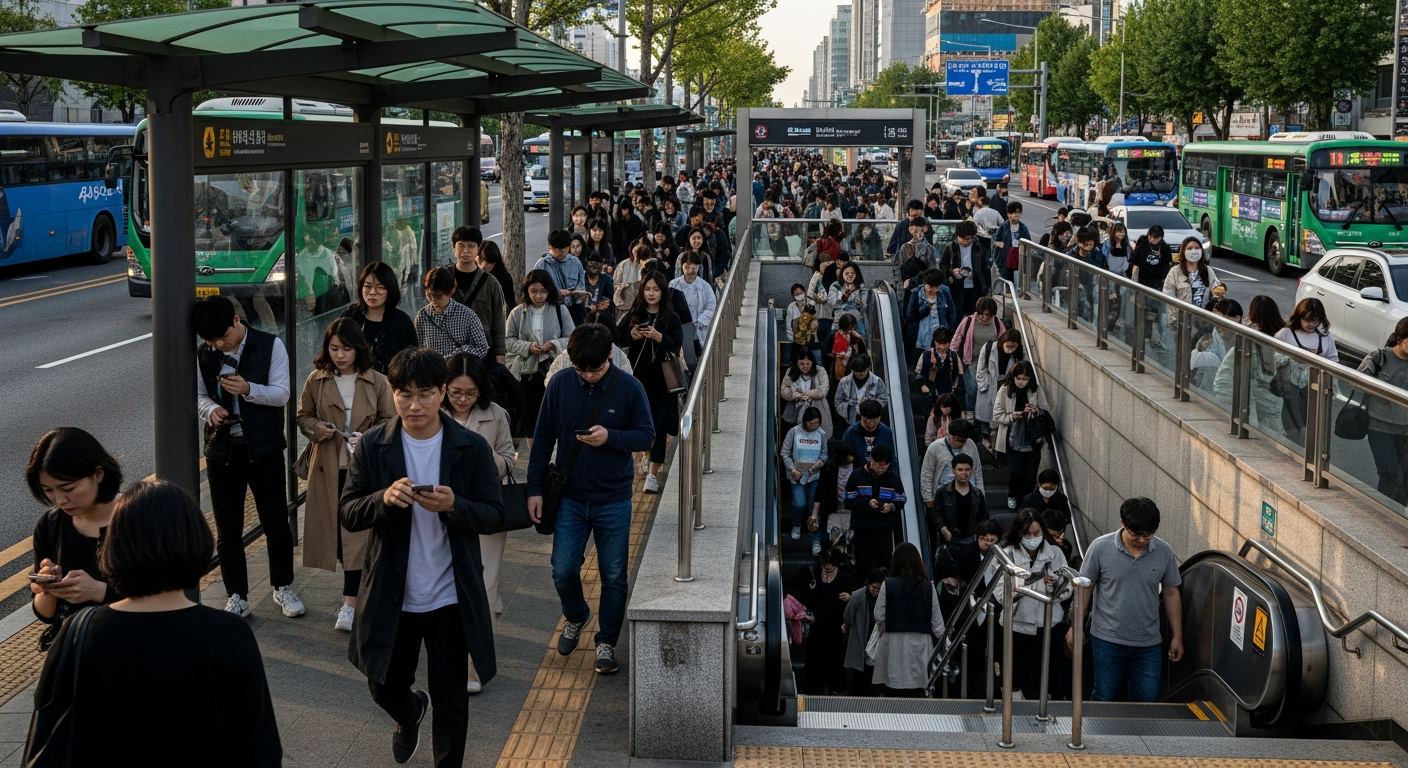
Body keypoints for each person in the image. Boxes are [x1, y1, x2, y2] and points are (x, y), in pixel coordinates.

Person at [25, 480, 282, 767]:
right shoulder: (228, 634)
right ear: (195, 541)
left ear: (112, 548)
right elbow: (259, 748)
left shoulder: (78, 632)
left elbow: (47, 723)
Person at [340, 346, 507, 766]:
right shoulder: (375, 445)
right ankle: (411, 710)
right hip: (393, 591)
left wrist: (456, 506)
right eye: (404, 394)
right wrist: (383, 499)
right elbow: (348, 511)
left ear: (443, 394)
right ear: (392, 393)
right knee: (382, 683)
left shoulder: (469, 447)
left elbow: (494, 514)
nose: (415, 405)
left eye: (425, 393)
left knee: (452, 703)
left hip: (451, 596)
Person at [528, 323, 655, 674]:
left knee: (613, 575)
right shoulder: (559, 384)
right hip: (568, 495)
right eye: (581, 369)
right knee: (562, 569)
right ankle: (576, 614)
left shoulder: (629, 388)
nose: (588, 376)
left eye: (595, 369)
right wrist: (534, 490)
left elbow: (647, 436)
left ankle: (607, 643)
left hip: (613, 497)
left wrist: (610, 437)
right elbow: (541, 441)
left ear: (610, 357)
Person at [194, 296, 303, 619]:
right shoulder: (204, 354)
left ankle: (282, 586)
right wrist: (211, 410)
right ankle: (237, 595)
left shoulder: (271, 346)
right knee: (228, 530)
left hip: (264, 447)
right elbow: (197, 396)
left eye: (224, 338)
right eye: (213, 342)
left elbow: (282, 394)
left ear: (237, 321)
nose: (220, 346)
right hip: (222, 451)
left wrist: (248, 389)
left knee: (276, 523)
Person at [296, 319, 395, 632]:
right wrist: (316, 428)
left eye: (346, 348)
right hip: (327, 465)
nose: (339, 355)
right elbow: (303, 415)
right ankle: (357, 595)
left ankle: (350, 602)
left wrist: (367, 436)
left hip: (362, 469)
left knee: (358, 537)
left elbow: (390, 419)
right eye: (334, 348)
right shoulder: (317, 379)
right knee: (335, 536)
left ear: (358, 349)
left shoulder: (377, 381)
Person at [441, 353, 514, 693]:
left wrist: (486, 458)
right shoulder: (431, 414)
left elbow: (510, 459)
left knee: (481, 585)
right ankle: (451, 650)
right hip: (439, 511)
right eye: (456, 392)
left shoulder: (496, 415)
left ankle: (472, 661)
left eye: (470, 394)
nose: (462, 399)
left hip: (482, 511)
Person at [1068, 498, 1184, 703]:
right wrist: (1075, 626)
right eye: (1136, 535)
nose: (1142, 540)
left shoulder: (1164, 552)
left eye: (1147, 535)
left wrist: (1177, 636)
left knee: (1147, 698)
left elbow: (1171, 593)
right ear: (1123, 524)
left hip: (1148, 641)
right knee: (1105, 694)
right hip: (1107, 639)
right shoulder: (1100, 548)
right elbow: (1084, 589)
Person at [26, 428, 124, 648]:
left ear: (98, 474)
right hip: (76, 654)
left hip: (133, 649)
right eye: (48, 490)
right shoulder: (49, 525)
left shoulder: (136, 517)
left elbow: (166, 598)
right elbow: (46, 614)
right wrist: (47, 589)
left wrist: (99, 592)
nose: (60, 500)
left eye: (68, 488)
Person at [615, 272, 684, 493]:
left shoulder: (670, 317)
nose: (651, 293)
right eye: (647, 289)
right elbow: (616, 338)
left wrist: (658, 337)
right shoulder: (634, 314)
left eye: (655, 289)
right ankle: (646, 454)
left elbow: (676, 344)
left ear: (662, 292)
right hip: (637, 378)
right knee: (638, 422)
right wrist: (632, 336)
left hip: (662, 380)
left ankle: (653, 474)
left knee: (659, 426)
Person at [994, 507, 1071, 700]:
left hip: (1050, 625)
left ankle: (1047, 716)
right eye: (1027, 533)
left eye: (1037, 533)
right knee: (1015, 680)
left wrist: (1055, 589)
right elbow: (1001, 594)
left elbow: (1069, 586)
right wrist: (1030, 586)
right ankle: (1014, 721)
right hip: (1017, 626)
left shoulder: (1055, 553)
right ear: (1019, 533)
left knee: (1050, 678)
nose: (1032, 538)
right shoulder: (1007, 555)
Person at [505, 269, 576, 440]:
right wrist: (529, 347)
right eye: (534, 291)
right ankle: (533, 453)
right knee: (530, 418)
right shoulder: (517, 312)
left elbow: (572, 337)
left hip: (554, 367)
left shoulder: (560, 310)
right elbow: (508, 340)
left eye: (543, 291)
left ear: (549, 291)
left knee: (554, 413)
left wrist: (553, 344)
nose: (538, 296)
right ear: (527, 291)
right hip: (526, 372)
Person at [870, 542, 944, 697]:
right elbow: (937, 624)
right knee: (917, 689)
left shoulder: (887, 584)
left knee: (893, 689)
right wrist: (946, 645)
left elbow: (878, 615)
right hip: (920, 644)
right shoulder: (928, 586)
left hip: (893, 643)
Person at [793, 548, 855, 694]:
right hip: (816, 627)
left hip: (836, 628)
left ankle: (836, 690)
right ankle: (812, 690)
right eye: (825, 565)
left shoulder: (845, 578)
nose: (827, 569)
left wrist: (849, 597)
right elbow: (800, 595)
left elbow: (855, 601)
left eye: (831, 566)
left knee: (835, 662)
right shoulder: (811, 573)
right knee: (814, 662)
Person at [1359, 317, 1408, 504]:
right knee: (1390, 474)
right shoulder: (1379, 357)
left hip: (1405, 429)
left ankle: (1400, 517)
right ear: (1399, 339)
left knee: (1404, 477)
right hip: (1380, 426)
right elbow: (1356, 380)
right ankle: (1385, 515)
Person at [342, 262, 419, 376]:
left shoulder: (401, 322)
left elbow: (413, 363)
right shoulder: (351, 315)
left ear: (390, 290)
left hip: (390, 388)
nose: (372, 293)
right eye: (367, 286)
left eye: (380, 288)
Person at [845, 444, 907, 576]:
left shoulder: (893, 478)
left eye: (884, 466)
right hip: (862, 529)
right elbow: (848, 502)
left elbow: (901, 500)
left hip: (883, 530)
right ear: (871, 459)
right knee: (863, 564)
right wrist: (867, 503)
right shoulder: (856, 475)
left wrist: (891, 507)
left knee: (886, 563)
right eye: (878, 465)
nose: (881, 469)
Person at [449, 226, 507, 364]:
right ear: (453, 248)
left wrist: (500, 354)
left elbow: (498, 320)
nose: (465, 251)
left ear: (478, 249)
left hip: (483, 353)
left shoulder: (491, 283)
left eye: (471, 246)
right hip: (449, 352)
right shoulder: (444, 278)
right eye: (461, 246)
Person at [992, 360, 1046, 509]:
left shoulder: (1036, 390)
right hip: (1012, 437)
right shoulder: (1005, 389)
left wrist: (1035, 411)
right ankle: (1011, 494)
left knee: (1030, 475)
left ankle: (1024, 501)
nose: (1022, 382)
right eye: (1019, 378)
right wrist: (1010, 417)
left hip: (1031, 438)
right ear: (1014, 377)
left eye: (1025, 379)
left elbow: (1045, 411)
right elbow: (997, 414)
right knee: (1017, 472)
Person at [415, 266, 490, 360]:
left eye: (438, 297)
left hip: (459, 370)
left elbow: (482, 348)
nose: (433, 300)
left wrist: (458, 355)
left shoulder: (467, 315)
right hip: (432, 371)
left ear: (451, 291)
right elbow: (417, 349)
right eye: (429, 295)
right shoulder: (422, 316)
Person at [782, 406, 830, 548]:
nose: (814, 425)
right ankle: (796, 524)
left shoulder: (821, 433)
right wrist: (792, 469)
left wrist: (818, 465)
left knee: (813, 508)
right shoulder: (794, 431)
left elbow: (824, 454)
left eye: (817, 423)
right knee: (800, 503)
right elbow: (785, 452)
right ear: (805, 421)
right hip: (797, 476)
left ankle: (815, 538)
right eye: (811, 423)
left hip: (814, 477)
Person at [952, 298, 1006, 417]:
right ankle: (970, 414)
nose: (984, 317)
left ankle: (983, 416)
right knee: (972, 389)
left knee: (987, 391)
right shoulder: (968, 321)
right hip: (970, 361)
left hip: (990, 364)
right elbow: (957, 339)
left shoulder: (997, 323)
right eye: (982, 314)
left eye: (988, 315)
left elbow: (1004, 342)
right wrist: (952, 357)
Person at [842, 567, 887, 696]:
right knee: (859, 674)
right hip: (860, 637)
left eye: (879, 589)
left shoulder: (885, 596)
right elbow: (848, 615)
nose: (876, 592)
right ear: (868, 584)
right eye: (874, 588)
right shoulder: (858, 595)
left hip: (876, 638)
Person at [929, 452, 988, 548]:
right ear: (953, 470)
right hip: (949, 540)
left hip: (972, 540)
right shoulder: (943, 492)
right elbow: (936, 513)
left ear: (971, 471)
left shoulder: (977, 494)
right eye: (960, 470)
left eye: (967, 470)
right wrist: (944, 530)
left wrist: (977, 534)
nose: (964, 473)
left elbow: (984, 516)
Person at [975, 328, 1024, 442]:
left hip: (1006, 386)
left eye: (1014, 347)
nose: (1010, 350)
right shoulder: (989, 348)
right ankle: (987, 442)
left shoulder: (1019, 352)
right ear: (1003, 342)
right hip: (990, 384)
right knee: (987, 419)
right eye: (1008, 346)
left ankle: (997, 443)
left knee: (1002, 416)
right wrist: (983, 385)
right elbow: (980, 369)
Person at [536, 229, 590, 325]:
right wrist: (557, 293)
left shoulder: (576, 262)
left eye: (564, 249)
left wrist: (579, 294)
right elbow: (536, 288)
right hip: (551, 309)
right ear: (550, 247)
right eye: (558, 250)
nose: (561, 253)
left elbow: (581, 284)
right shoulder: (542, 264)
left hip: (574, 309)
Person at [904, 269, 957, 366]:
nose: (934, 290)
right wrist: (925, 309)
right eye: (931, 287)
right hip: (922, 336)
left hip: (940, 334)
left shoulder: (944, 292)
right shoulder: (916, 294)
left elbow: (951, 312)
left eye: (937, 287)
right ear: (925, 283)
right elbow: (910, 317)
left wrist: (951, 329)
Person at [939, 220, 992, 318]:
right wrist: (952, 272)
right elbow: (942, 265)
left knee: (974, 316)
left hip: (976, 287)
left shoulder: (979, 247)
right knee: (956, 316)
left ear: (973, 236)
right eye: (962, 239)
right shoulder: (951, 247)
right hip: (956, 288)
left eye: (968, 239)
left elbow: (986, 267)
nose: (965, 242)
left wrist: (986, 286)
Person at [670, 251, 716, 360]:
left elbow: (711, 307)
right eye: (687, 267)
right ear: (682, 266)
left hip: (698, 327)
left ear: (698, 267)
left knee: (696, 357)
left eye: (694, 267)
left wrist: (699, 321)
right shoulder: (673, 284)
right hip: (679, 327)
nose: (690, 271)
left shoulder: (705, 287)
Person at [781, 351, 833, 438]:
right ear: (797, 363)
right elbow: (784, 390)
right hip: (795, 408)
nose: (805, 366)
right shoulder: (791, 371)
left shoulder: (820, 371)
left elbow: (823, 391)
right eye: (801, 364)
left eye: (807, 363)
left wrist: (805, 394)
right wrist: (793, 395)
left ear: (812, 362)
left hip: (817, 407)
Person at [1162, 237, 1223, 310]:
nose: (1194, 251)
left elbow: (1216, 292)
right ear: (1183, 251)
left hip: (1203, 317)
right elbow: (1168, 296)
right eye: (1189, 248)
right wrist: (1173, 318)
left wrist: (1219, 291)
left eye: (1197, 248)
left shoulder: (1208, 270)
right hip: (1181, 318)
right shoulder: (1175, 271)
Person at [834, 354, 890, 427]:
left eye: (864, 371)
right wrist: (851, 406)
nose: (862, 374)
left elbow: (884, 398)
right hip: (851, 419)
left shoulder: (877, 381)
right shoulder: (844, 382)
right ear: (852, 370)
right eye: (858, 372)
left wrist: (870, 405)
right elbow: (838, 401)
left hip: (871, 418)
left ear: (868, 368)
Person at [842, 399, 895, 466]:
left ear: (879, 417)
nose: (871, 423)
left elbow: (891, 457)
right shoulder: (851, 432)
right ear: (862, 416)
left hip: (880, 473)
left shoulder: (886, 432)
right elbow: (844, 458)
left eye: (874, 420)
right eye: (868, 419)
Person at [992, 201, 1030, 284]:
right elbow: (994, 239)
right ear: (1008, 214)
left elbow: (1028, 242)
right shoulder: (1003, 226)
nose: (1014, 215)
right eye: (1011, 213)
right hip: (1005, 256)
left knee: (1018, 277)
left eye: (1017, 212)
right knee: (1006, 277)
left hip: (1019, 255)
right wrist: (999, 243)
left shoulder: (1023, 228)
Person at [828, 262, 869, 337]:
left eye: (852, 273)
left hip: (856, 320)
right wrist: (843, 297)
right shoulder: (836, 285)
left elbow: (865, 305)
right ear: (842, 273)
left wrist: (860, 302)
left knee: (861, 338)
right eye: (847, 273)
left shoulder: (861, 287)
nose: (849, 275)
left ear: (856, 274)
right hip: (839, 319)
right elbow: (831, 303)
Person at [477, 240, 518, 309]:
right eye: (481, 260)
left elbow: (510, 303)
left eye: (489, 262)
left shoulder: (503, 279)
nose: (484, 265)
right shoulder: (469, 271)